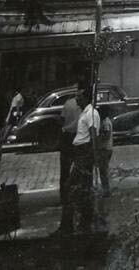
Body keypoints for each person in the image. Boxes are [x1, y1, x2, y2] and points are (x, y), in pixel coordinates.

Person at [70, 87, 100, 234]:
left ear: (86, 98)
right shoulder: (85, 112)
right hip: (80, 152)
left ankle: (85, 220)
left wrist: (93, 156)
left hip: (85, 152)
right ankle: (83, 219)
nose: (76, 99)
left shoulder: (92, 114)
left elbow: (93, 136)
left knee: (80, 185)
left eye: (79, 96)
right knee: (79, 186)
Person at [55, 87, 82, 235]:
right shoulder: (83, 105)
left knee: (64, 170)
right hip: (78, 136)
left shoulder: (67, 104)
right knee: (77, 169)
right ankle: (76, 194)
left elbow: (62, 119)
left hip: (67, 137)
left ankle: (63, 196)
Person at [96, 113, 113, 198]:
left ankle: (106, 191)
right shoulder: (106, 121)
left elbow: (106, 135)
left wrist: (98, 138)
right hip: (106, 148)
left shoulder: (105, 123)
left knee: (103, 171)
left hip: (105, 149)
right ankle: (105, 190)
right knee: (103, 170)